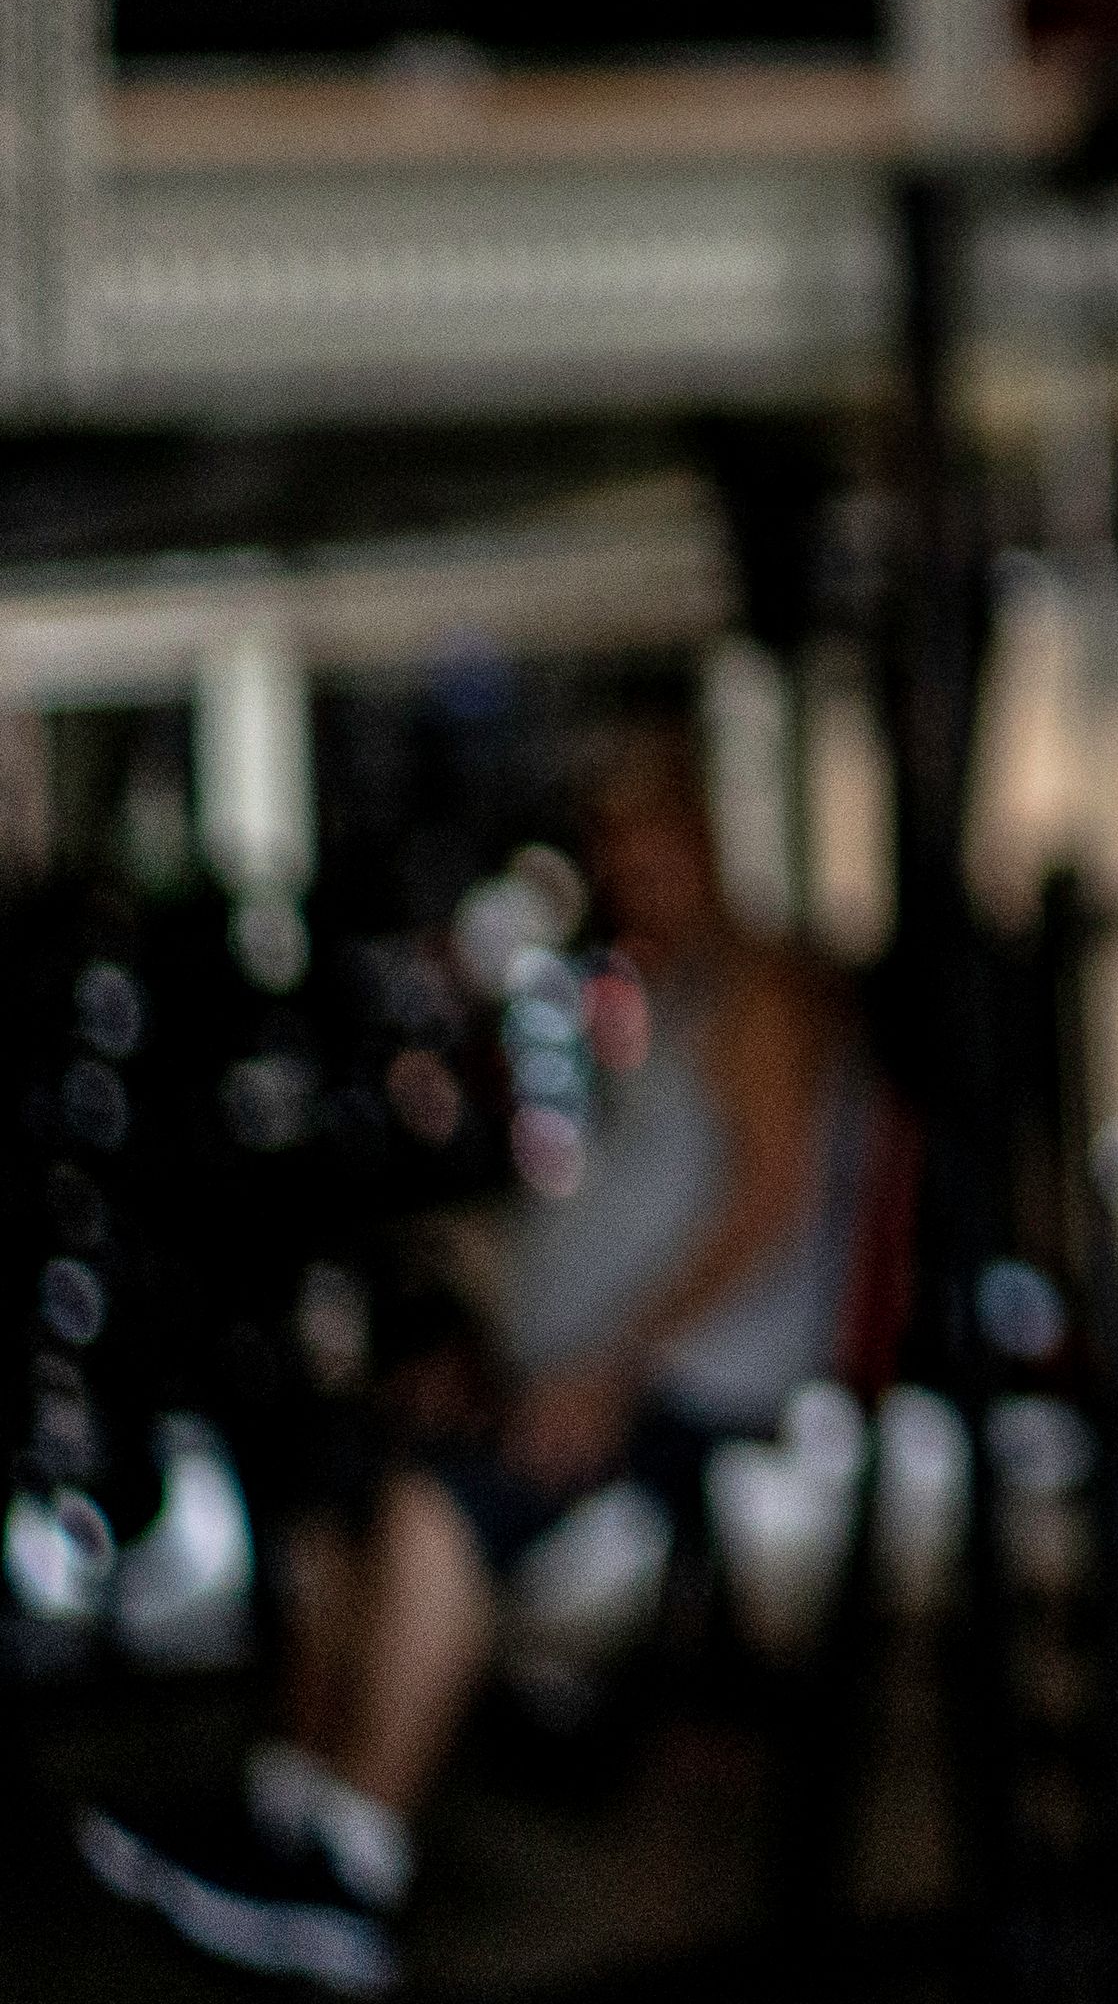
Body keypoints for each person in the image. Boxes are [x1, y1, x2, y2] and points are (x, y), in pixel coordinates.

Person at [85, 719, 865, 1993]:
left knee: (437, 1502)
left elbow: (768, 1207)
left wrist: (610, 1370)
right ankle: (294, 1809)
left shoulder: (760, 992)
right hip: (605, 1357)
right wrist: (502, 1348)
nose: (631, 865)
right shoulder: (665, 998)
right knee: (339, 1475)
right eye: (614, 844)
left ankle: (353, 1866)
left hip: (692, 1375)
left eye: (650, 836)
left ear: (709, 838)